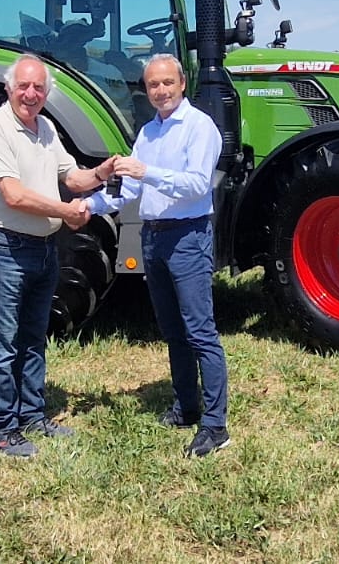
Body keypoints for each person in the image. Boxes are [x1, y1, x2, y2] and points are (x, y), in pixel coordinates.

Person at [86, 54, 231, 458]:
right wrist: (88, 207)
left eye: (168, 83)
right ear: (146, 90)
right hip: (153, 237)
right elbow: (131, 191)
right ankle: (186, 407)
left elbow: (197, 185)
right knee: (172, 330)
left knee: (200, 331)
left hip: (187, 236)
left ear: (182, 84)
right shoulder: (148, 133)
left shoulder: (200, 127)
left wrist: (145, 172)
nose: (161, 91)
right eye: (153, 85)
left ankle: (215, 426)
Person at [0, 53, 113, 458]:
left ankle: (32, 416)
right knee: (2, 341)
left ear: (46, 93)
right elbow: (14, 195)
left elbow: (72, 177)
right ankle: (2, 431)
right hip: (6, 248)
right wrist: (67, 211)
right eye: (23, 86)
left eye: (38, 87)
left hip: (44, 248)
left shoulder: (46, 128)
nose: (31, 94)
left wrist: (103, 172)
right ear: (9, 88)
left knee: (34, 337)